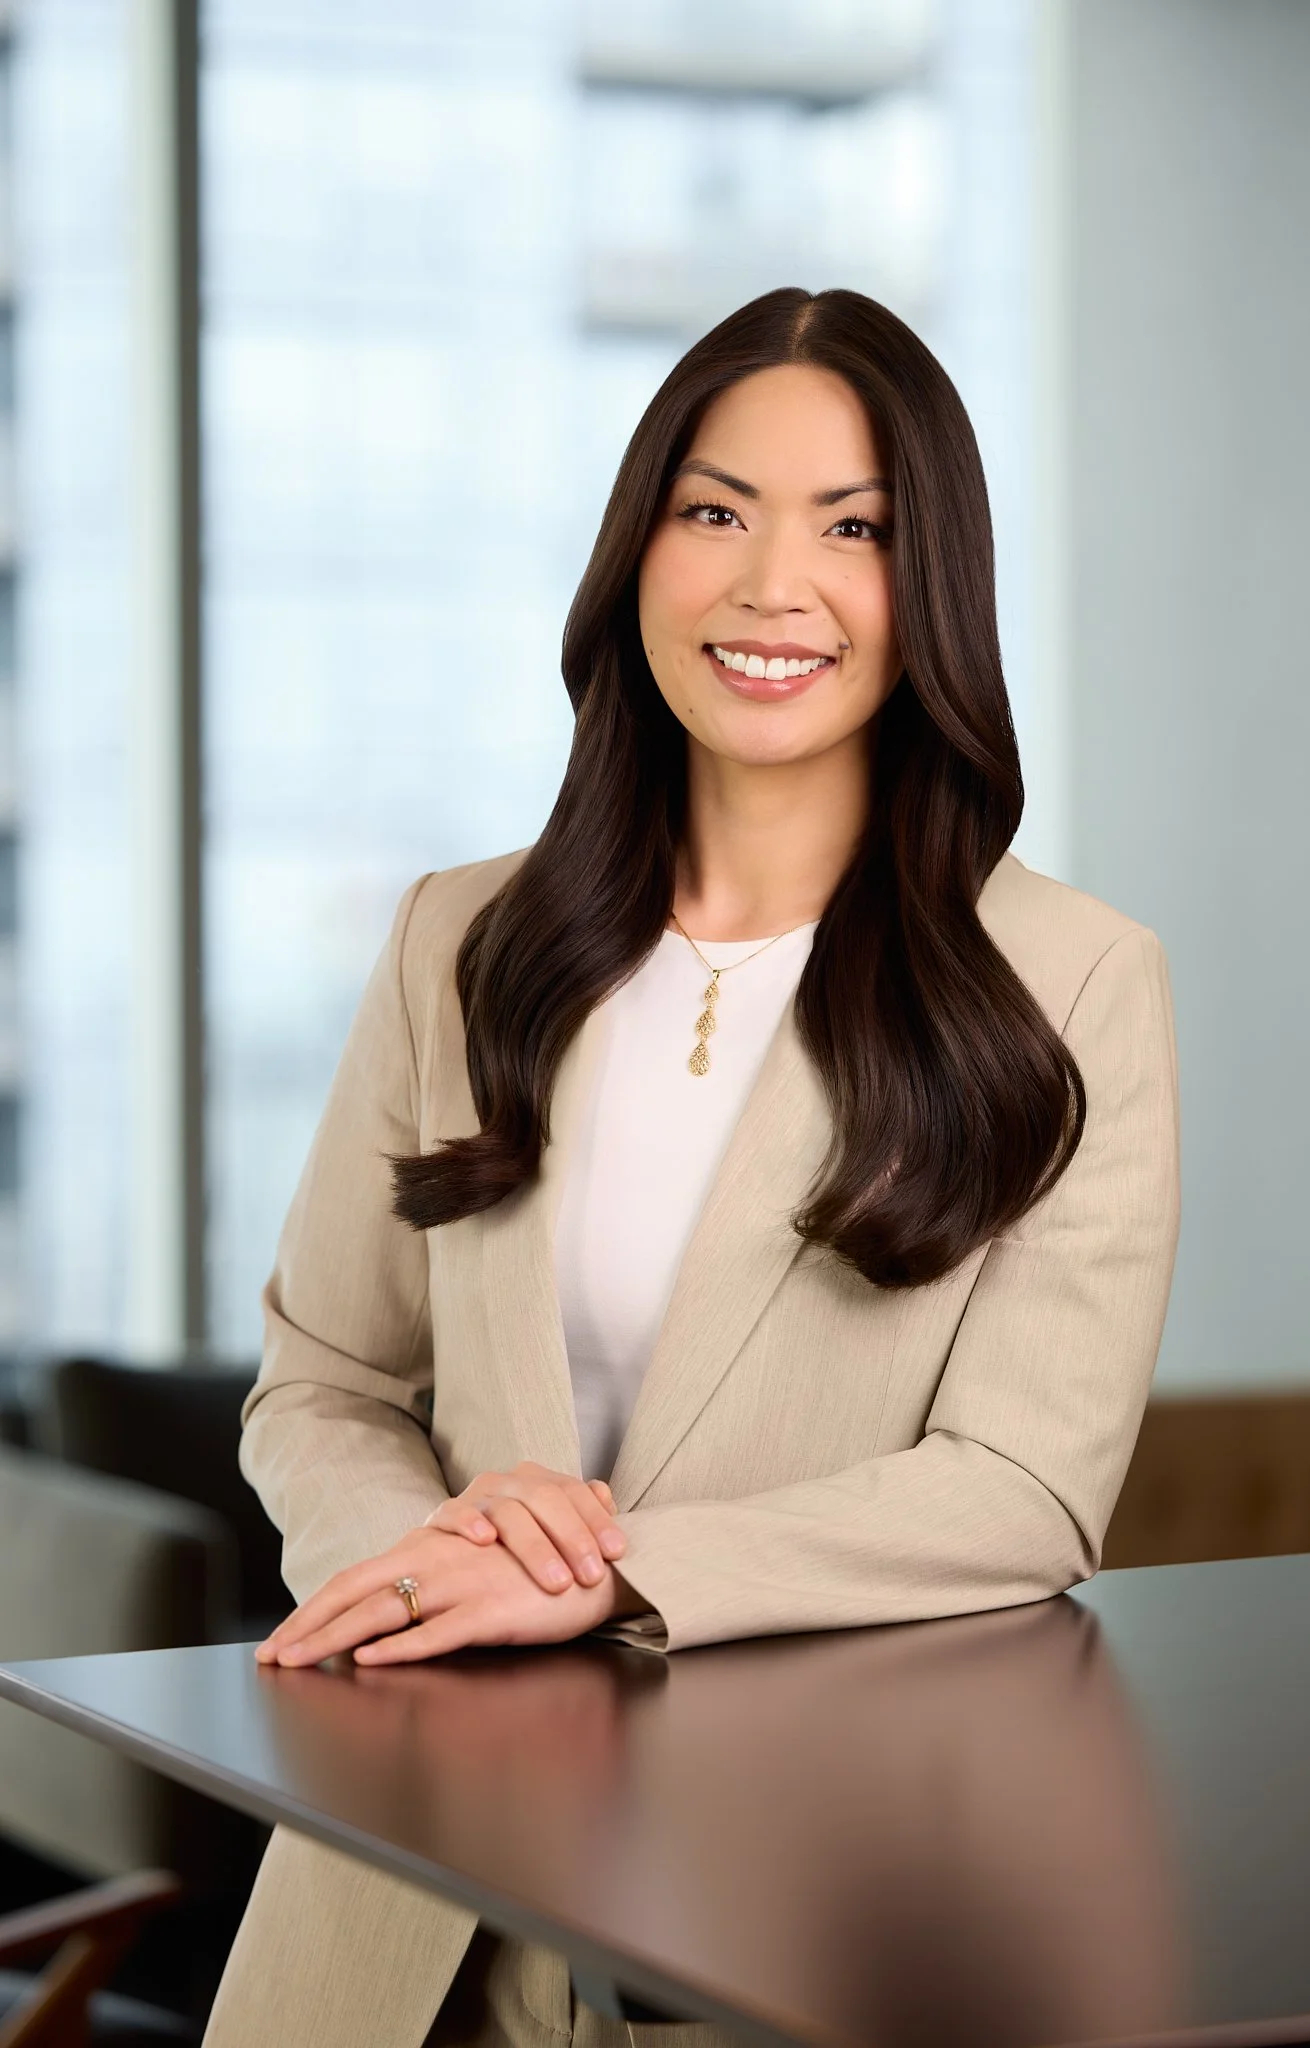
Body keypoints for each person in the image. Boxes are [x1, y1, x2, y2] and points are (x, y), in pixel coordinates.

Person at [204, 286, 1181, 2048]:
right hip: (397, 1889)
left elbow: (1025, 1488)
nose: (768, 585)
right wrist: (425, 1564)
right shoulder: (458, 939)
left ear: (929, 583)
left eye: (853, 527)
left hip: (803, 1901)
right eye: (712, 510)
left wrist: (604, 1569)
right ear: (634, 548)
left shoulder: (1072, 983)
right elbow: (325, 1380)